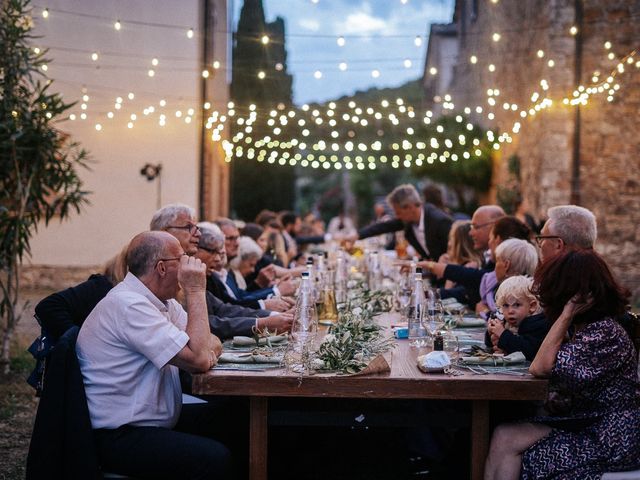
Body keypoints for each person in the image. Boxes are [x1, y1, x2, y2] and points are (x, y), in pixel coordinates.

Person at [77, 231, 232, 479]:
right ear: (162, 268)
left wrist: (202, 347)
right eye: (182, 259)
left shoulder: (162, 302)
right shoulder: (130, 305)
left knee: (234, 419)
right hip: (119, 434)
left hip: (153, 421)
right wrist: (195, 290)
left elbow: (209, 341)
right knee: (214, 458)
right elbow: (200, 359)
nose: (187, 266)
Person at [485, 249, 640, 480]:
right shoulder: (588, 328)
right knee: (503, 434)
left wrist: (565, 315)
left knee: (519, 447)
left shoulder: (603, 333)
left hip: (612, 437)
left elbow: (540, 368)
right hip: (588, 422)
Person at [196, 225, 292, 315]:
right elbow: (227, 310)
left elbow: (238, 299)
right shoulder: (210, 276)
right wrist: (274, 293)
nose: (237, 243)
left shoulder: (226, 273)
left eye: (237, 238)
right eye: (229, 239)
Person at [356, 184, 453, 261]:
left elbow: (455, 257)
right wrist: (357, 235)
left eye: (398, 212)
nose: (397, 216)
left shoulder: (439, 221)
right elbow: (384, 226)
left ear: (410, 207)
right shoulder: (409, 220)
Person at [485, 275, 548, 360]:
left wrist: (502, 335)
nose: (510, 311)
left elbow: (528, 351)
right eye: (505, 305)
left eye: (517, 305)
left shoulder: (538, 324)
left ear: (532, 306)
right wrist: (491, 334)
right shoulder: (505, 322)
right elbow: (491, 345)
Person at [440, 220, 482, 290]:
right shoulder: (457, 263)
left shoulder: (470, 267)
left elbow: (449, 293)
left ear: (461, 244)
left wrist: (450, 272)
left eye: (451, 239)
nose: (449, 244)